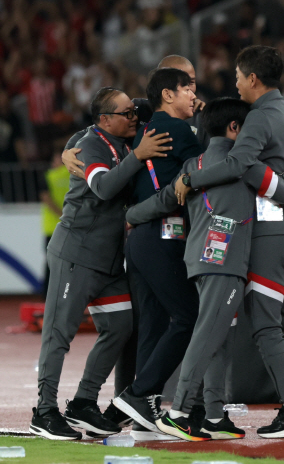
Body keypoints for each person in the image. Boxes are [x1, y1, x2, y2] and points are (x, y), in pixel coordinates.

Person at [127, 97, 284, 440]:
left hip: (197, 260)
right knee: (209, 334)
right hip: (226, 263)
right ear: (235, 128)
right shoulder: (244, 166)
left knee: (217, 334)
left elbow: (164, 200)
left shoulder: (192, 164)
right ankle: (179, 412)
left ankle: (214, 416)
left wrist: (130, 217)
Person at [174, 45, 284, 438]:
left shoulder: (257, 118)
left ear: (253, 79)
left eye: (238, 78)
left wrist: (188, 180)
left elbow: (238, 165)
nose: (236, 85)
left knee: (266, 328)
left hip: (266, 234)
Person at [30, 87, 169, 440]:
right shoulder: (92, 145)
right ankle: (44, 411)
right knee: (59, 333)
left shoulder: (119, 138)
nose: (133, 118)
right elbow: (105, 188)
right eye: (126, 114)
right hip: (75, 254)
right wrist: (137, 156)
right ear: (105, 119)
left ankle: (83, 402)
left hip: (107, 261)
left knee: (121, 326)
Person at [113, 68, 204, 436]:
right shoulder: (179, 130)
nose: (193, 96)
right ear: (168, 95)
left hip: (137, 241)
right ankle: (139, 393)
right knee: (188, 315)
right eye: (188, 89)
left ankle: (144, 409)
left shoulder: (143, 132)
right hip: (163, 237)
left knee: (152, 322)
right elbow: (207, 168)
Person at [38, 149, 71, 298]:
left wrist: (61, 215)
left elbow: (45, 198)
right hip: (70, 225)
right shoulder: (73, 174)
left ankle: (47, 296)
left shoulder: (48, 176)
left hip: (52, 226)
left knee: (51, 263)